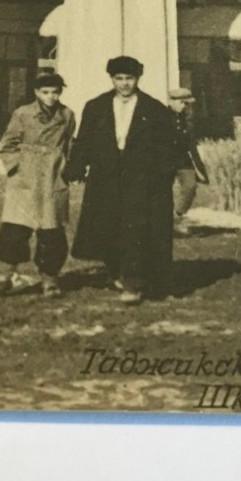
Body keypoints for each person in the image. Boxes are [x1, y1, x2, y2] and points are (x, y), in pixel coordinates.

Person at [64, 55, 179, 304]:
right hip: (106, 177)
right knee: (107, 226)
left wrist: (160, 175)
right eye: (119, 78)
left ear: (138, 78)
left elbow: (167, 147)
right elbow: (84, 140)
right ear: (112, 79)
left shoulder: (154, 109)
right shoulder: (95, 107)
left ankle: (134, 283)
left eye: (129, 78)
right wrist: (75, 167)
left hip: (141, 179)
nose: (124, 84)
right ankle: (117, 271)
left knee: (135, 229)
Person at [0, 72, 76, 298]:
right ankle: (7, 273)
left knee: (51, 230)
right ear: (37, 92)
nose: (51, 97)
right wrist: (16, 170)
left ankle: (50, 277)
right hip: (25, 178)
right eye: (45, 92)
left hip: (52, 177)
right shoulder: (23, 113)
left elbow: (68, 144)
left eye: (55, 92)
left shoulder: (67, 115)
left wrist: (65, 170)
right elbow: (8, 145)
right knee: (15, 227)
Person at [167, 87, 210, 228]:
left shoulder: (187, 119)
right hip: (165, 161)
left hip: (183, 160)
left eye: (186, 104)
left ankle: (178, 215)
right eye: (182, 103)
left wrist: (200, 168)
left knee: (190, 186)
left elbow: (191, 145)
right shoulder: (160, 117)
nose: (184, 106)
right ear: (171, 101)